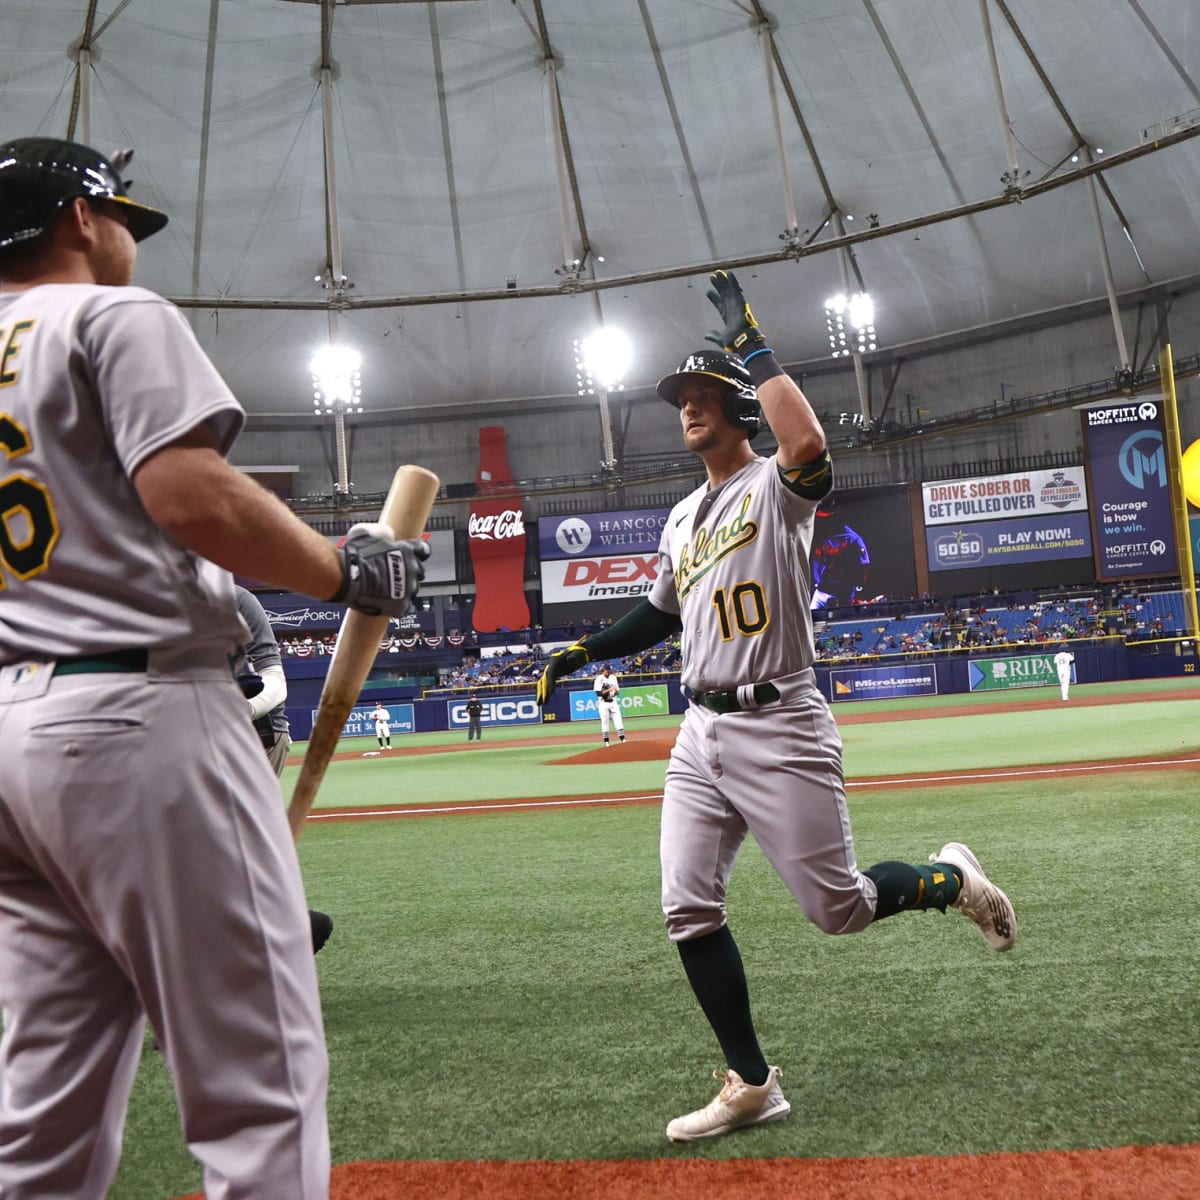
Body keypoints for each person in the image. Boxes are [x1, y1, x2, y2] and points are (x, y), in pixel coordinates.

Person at [0, 137, 429, 1200]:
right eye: (120, 221)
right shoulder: (111, 316)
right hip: (135, 718)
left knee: (41, 1109)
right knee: (260, 1088)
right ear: (77, 220)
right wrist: (345, 572)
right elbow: (188, 491)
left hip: (11, 740)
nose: (127, 245)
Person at [536, 270, 1016, 1143]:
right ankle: (752, 1082)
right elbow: (662, 611)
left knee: (839, 910)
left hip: (780, 720)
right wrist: (585, 649)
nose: (687, 405)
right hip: (701, 728)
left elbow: (809, 443)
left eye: (703, 393)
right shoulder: (682, 516)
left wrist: (752, 350)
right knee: (687, 908)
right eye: (680, 396)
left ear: (739, 408)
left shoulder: (774, 490)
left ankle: (953, 880)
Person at [234, 586, 333, 954]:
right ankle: (288, 926)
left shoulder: (236, 600)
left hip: (258, 733)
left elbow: (275, 683)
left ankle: (282, 930)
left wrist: (240, 709)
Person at [593, 662, 626, 746]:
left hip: (613, 701)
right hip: (603, 703)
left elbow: (616, 692)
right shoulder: (598, 679)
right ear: (603, 671)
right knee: (605, 722)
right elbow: (599, 693)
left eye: (609, 671)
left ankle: (622, 739)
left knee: (618, 720)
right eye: (607, 671)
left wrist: (616, 691)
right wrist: (610, 689)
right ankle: (607, 742)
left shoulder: (613, 678)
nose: (609, 672)